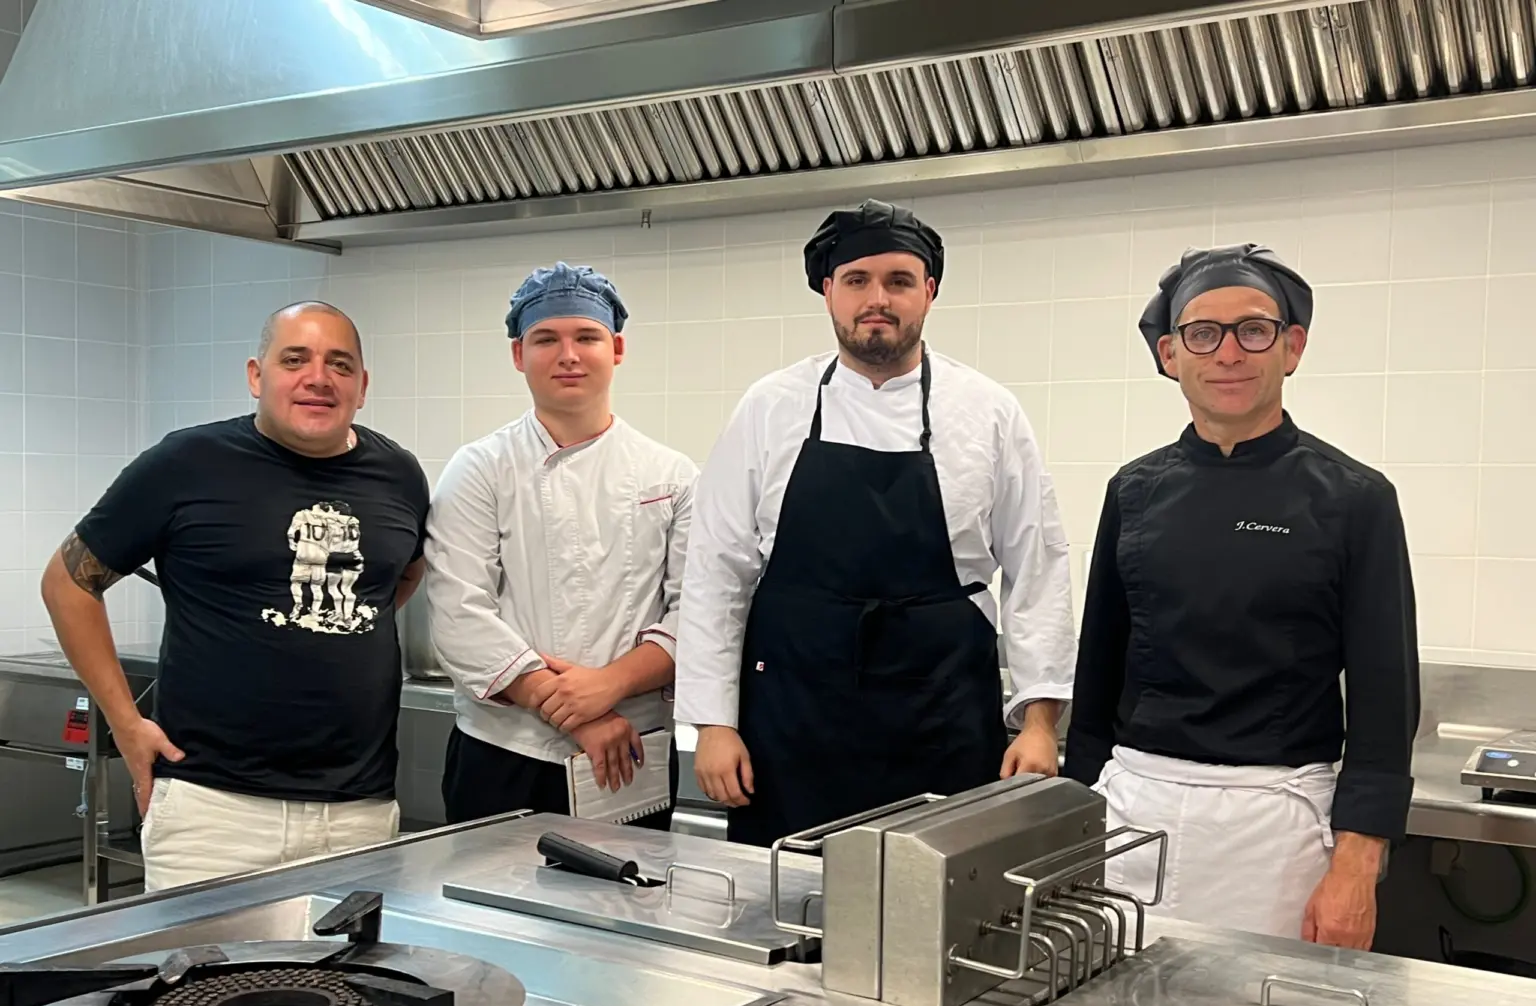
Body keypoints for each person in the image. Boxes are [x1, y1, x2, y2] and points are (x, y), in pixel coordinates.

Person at [675, 199, 1076, 848]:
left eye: (899, 281)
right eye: (857, 280)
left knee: (935, 913)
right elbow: (717, 572)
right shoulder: (770, 407)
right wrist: (713, 725)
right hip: (793, 721)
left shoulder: (988, 411)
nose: (877, 299)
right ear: (828, 291)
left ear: (930, 292)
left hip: (940, 716)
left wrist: (1038, 723)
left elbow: (1039, 569)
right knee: (786, 911)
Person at [1063, 243, 1419, 951]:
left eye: (1253, 330)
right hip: (1136, 811)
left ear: (1292, 347)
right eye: (1203, 333)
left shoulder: (1355, 499)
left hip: (1277, 828)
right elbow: (1096, 677)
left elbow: (1385, 701)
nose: (1228, 352)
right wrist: (1074, 821)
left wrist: (1357, 862)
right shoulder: (1134, 492)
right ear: (1170, 354)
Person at [40, 302, 430, 892]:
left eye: (339, 364)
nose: (318, 378)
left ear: (362, 385)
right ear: (257, 375)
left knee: (343, 986)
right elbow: (68, 581)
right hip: (211, 814)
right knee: (199, 984)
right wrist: (125, 722)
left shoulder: (399, 474)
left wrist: (319, 628)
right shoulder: (186, 463)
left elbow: (400, 575)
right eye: (295, 359)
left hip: (358, 815)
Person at [425, 263, 696, 830]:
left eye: (587, 337)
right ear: (519, 355)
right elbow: (458, 614)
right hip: (504, 752)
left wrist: (609, 685)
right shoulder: (480, 468)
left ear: (616, 348)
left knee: (622, 911)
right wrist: (578, 714)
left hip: (630, 752)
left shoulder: (671, 474)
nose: (568, 355)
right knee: (493, 914)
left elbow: (695, 614)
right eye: (546, 339)